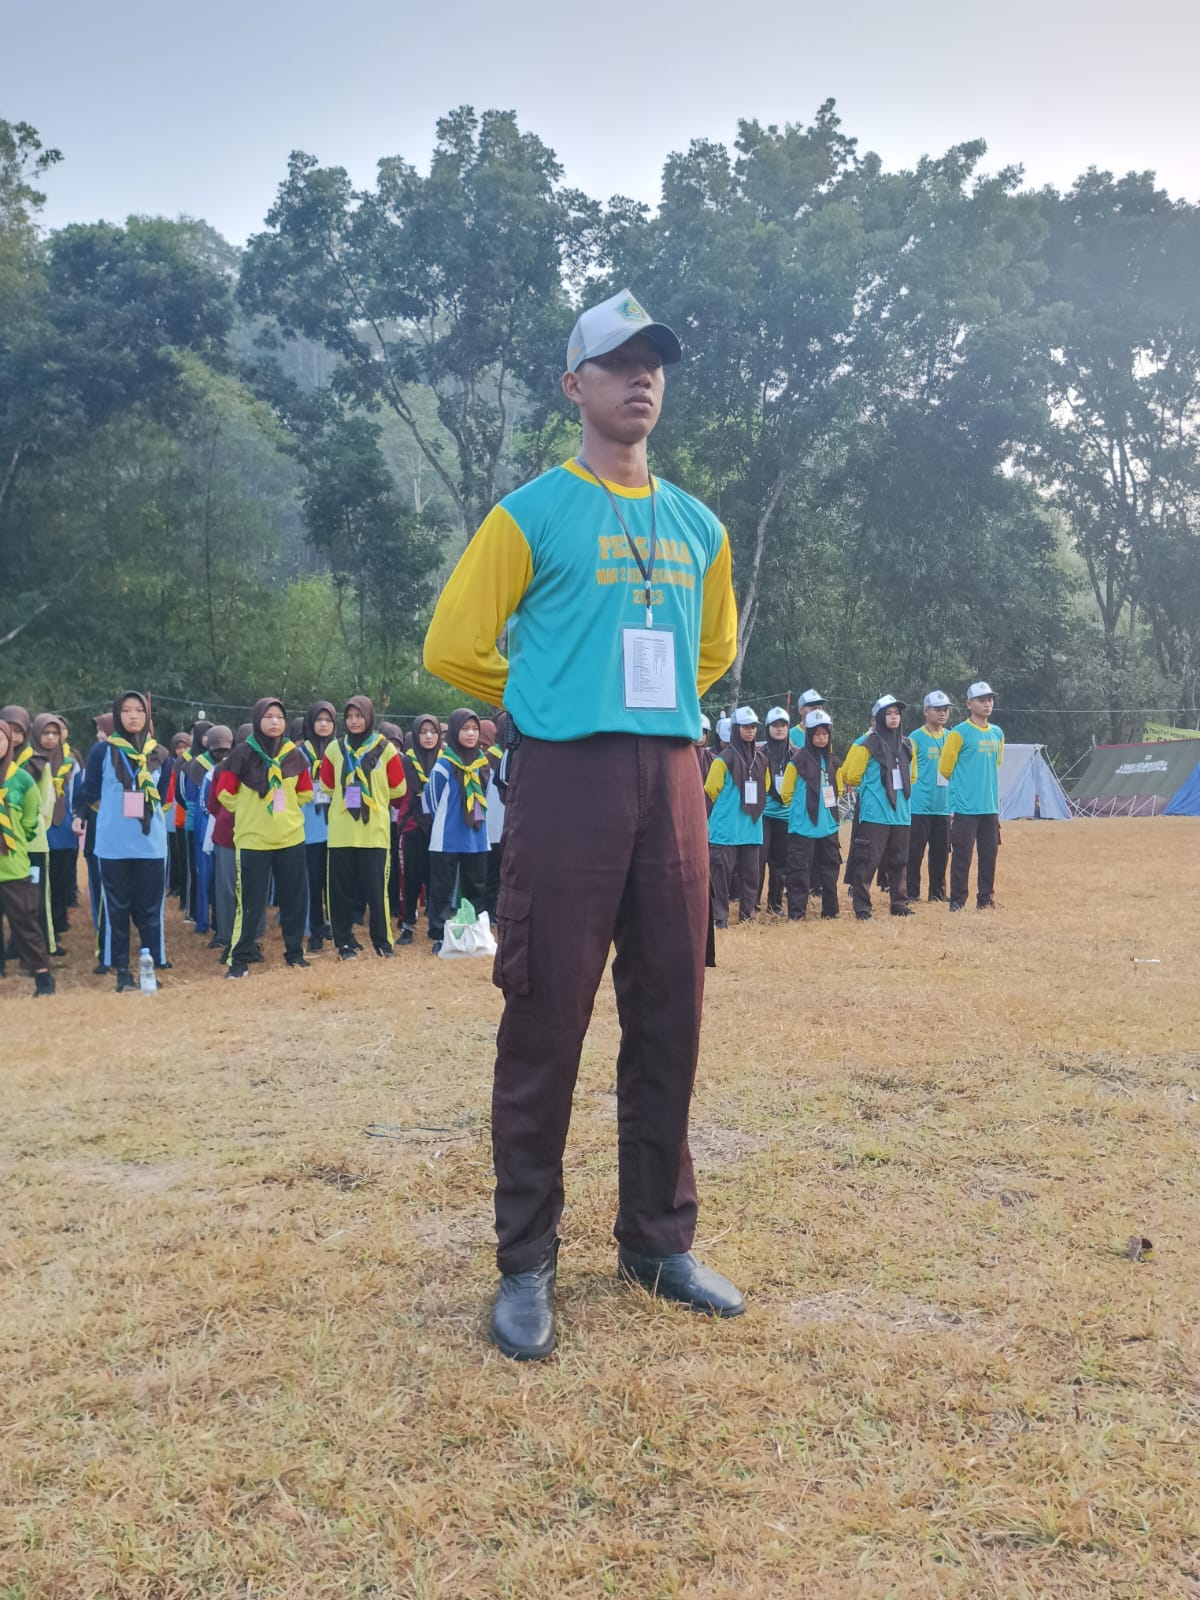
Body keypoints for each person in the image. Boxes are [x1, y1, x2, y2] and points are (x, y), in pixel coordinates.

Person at [424, 286, 742, 1360]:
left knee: (671, 1011)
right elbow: (453, 643)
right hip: (566, 776)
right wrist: (545, 696)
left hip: (674, 777)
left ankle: (658, 1241)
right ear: (575, 385)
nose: (641, 376)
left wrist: (656, 709)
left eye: (654, 361)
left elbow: (711, 650)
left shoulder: (699, 526)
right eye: (617, 361)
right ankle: (526, 1261)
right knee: (546, 1015)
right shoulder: (530, 514)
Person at [76, 691, 170, 990]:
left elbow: (163, 796)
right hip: (113, 846)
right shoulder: (102, 752)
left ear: (147, 716)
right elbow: (91, 793)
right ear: (117, 715)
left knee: (149, 912)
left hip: (150, 845)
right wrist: (111, 815)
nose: (133, 716)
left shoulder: (160, 754)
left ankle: (149, 969)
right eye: (126, 710)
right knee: (117, 911)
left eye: (139, 710)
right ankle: (122, 972)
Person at [214, 697, 313, 979]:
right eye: (268, 716)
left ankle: (294, 953)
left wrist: (287, 808)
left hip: (290, 838)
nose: (274, 722)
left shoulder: (294, 755)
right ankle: (239, 958)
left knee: (294, 900)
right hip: (253, 840)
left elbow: (306, 792)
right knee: (250, 903)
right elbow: (224, 793)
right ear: (258, 720)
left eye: (279, 717)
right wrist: (250, 811)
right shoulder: (242, 754)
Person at [320, 696, 406, 960]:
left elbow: (399, 788)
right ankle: (344, 942)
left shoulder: (385, 749)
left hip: (374, 833)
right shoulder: (334, 749)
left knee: (377, 893)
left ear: (369, 717)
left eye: (359, 716)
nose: (354, 721)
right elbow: (326, 785)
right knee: (340, 892)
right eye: (349, 716)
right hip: (341, 832)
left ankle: (382, 942)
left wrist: (374, 796)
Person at [839, 695, 914, 921]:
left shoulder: (907, 744)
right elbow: (851, 774)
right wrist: (871, 789)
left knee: (899, 860)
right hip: (876, 813)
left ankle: (899, 903)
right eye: (888, 714)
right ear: (879, 717)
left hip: (901, 812)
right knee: (868, 861)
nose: (894, 717)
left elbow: (913, 775)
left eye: (897, 713)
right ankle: (862, 907)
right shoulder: (867, 744)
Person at [422, 708, 491, 952]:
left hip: (476, 836)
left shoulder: (483, 764)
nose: (471, 734)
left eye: (475, 729)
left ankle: (473, 931)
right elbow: (431, 799)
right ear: (454, 731)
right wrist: (447, 819)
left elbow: (484, 795)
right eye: (465, 729)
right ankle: (439, 933)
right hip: (447, 837)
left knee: (476, 884)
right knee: (442, 887)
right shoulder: (444, 764)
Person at [0, 717, 55, 996]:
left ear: (8, 742)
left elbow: (31, 819)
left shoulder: (21, 779)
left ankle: (43, 978)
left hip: (13, 865)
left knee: (25, 922)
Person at [939, 680, 1005, 911]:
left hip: (989, 806)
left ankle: (985, 898)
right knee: (962, 855)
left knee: (989, 854)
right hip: (965, 807)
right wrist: (964, 787)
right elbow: (945, 768)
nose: (987, 704)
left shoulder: (997, 733)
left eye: (990, 700)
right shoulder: (959, 733)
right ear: (969, 704)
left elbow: (996, 763)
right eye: (981, 700)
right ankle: (957, 901)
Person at [705, 706, 767, 927]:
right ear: (735, 729)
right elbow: (711, 788)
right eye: (745, 727)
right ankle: (719, 917)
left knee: (751, 876)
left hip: (751, 828)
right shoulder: (723, 759)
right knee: (720, 876)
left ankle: (747, 914)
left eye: (753, 727)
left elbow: (765, 786)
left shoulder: (761, 759)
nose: (750, 731)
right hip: (726, 828)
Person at [780, 708, 842, 919]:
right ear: (809, 735)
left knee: (830, 869)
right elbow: (786, 792)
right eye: (817, 734)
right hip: (803, 826)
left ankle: (831, 911)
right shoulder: (797, 762)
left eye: (825, 733)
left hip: (828, 826)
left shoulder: (832, 761)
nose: (821, 738)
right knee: (799, 871)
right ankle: (797, 913)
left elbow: (838, 790)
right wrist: (800, 808)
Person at [33, 712, 79, 948]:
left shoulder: (70, 763)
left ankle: (58, 923)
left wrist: (78, 819)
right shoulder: (30, 762)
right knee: (40, 884)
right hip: (38, 832)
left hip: (65, 829)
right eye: (46, 733)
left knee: (61, 881)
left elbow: (79, 795)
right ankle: (40, 927)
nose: (51, 738)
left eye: (55, 733)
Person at [397, 713, 442, 946]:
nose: (428, 736)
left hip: (438, 828)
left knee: (436, 878)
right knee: (411, 879)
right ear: (415, 735)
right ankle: (407, 925)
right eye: (423, 732)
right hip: (412, 827)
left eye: (433, 732)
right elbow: (399, 795)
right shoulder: (406, 761)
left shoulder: (444, 761)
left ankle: (436, 926)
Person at [906, 690, 952, 903]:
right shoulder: (915, 738)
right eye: (937, 709)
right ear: (926, 711)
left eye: (945, 710)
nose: (942, 714)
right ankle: (911, 892)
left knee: (941, 853)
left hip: (943, 805)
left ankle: (937, 893)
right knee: (914, 852)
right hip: (919, 805)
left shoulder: (951, 737)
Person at [300, 701, 337, 951]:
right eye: (319, 720)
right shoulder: (298, 754)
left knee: (334, 882)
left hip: (336, 828)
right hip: (309, 829)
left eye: (328, 720)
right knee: (313, 883)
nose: (323, 724)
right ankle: (315, 929)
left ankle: (334, 925)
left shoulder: (340, 751)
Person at [759, 706, 792, 915]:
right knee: (758, 860)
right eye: (775, 725)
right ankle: (752, 904)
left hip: (786, 814)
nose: (779, 729)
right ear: (767, 728)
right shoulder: (759, 754)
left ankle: (775, 903)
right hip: (763, 814)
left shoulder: (795, 754)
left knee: (781, 862)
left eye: (783, 725)